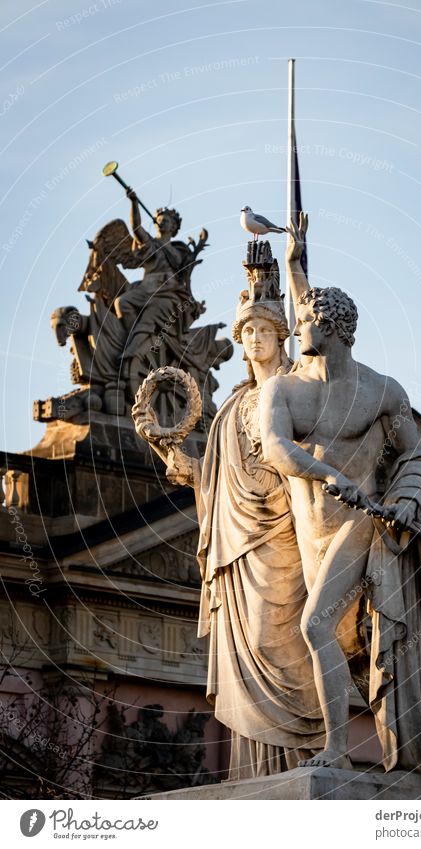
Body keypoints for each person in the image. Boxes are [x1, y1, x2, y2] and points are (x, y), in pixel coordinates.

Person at [260, 233, 421, 777]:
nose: (295, 329)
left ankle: (336, 750)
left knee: (315, 627)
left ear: (330, 329)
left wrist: (406, 501)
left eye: (305, 321)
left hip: (360, 524)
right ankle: (368, 739)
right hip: (311, 535)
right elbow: (276, 448)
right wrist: (329, 471)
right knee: (333, 639)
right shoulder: (284, 391)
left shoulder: (384, 392)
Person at [153, 244, 324, 779]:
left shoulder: (297, 393)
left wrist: (291, 271)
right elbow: (217, 478)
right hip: (235, 548)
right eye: (247, 332)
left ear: (282, 338)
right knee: (244, 646)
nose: (254, 341)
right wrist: (184, 463)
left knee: (284, 646)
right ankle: (253, 771)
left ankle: (298, 758)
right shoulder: (228, 407)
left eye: (265, 332)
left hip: (286, 543)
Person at [115, 191, 204, 358]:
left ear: (173, 227)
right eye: (159, 221)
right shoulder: (151, 244)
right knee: (121, 303)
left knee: (150, 314)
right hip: (145, 289)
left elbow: (184, 278)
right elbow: (136, 228)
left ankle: (133, 349)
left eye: (166, 221)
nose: (161, 223)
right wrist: (134, 203)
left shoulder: (178, 253)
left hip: (167, 294)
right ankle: (136, 337)